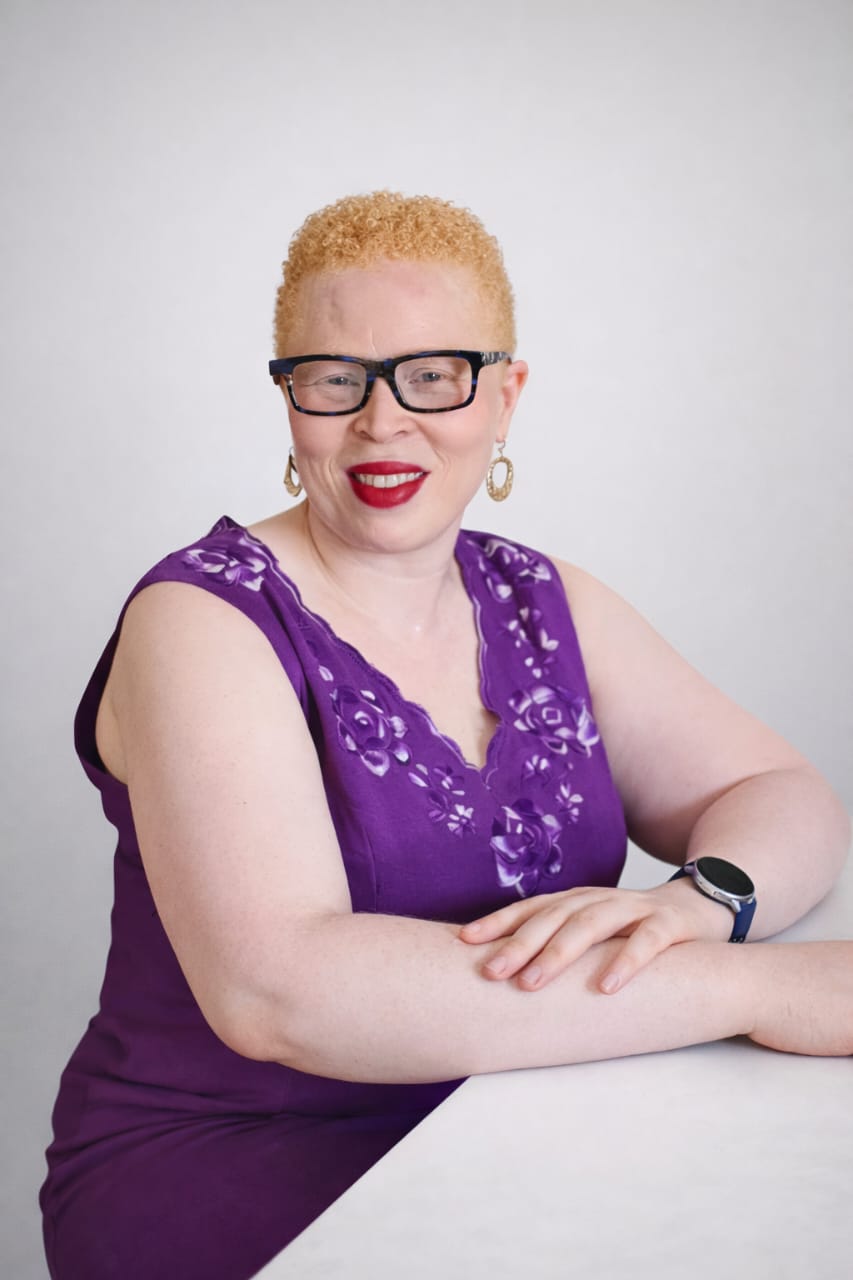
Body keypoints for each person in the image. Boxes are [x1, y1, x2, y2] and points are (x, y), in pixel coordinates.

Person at [41, 191, 851, 1280]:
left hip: (523, 1117)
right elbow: (278, 991)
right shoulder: (198, 619)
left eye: (433, 374)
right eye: (335, 378)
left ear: (506, 396)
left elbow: (776, 788)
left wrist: (696, 905)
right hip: (237, 1164)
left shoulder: (540, 598)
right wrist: (758, 989)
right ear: (288, 399)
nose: (383, 422)